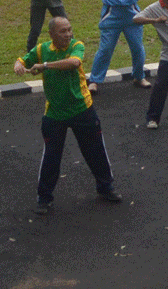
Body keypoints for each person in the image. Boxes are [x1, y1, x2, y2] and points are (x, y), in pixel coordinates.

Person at [17, 14, 122, 212]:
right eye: (63, 31)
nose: (68, 34)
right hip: (55, 113)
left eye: (69, 30)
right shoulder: (41, 49)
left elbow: (74, 63)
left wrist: (45, 66)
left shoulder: (76, 46)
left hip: (82, 108)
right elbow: (23, 60)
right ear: (51, 34)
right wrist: (19, 65)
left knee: (95, 151)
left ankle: (106, 187)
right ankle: (44, 198)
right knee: (51, 157)